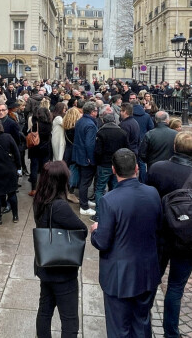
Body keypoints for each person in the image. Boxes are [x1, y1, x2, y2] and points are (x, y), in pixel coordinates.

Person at [90, 148, 162, 338]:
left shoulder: (109, 200)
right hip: (147, 271)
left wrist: (95, 231)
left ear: (113, 170)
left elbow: (102, 242)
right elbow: (158, 226)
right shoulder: (153, 193)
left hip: (119, 276)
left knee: (119, 328)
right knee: (142, 323)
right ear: (137, 168)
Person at [33, 161, 87, 338]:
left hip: (45, 266)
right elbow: (82, 230)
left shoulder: (39, 199)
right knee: (70, 321)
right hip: (62, 271)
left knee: (45, 312)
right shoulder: (60, 206)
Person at [147, 131, 192, 338]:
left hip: (160, 233)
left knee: (151, 282)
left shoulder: (158, 168)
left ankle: (143, 323)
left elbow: (148, 199)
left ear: (174, 147)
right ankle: (171, 333)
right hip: (186, 238)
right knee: (175, 287)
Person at [92, 112, 128, 223]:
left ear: (103, 121)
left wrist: (98, 162)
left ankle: (98, 214)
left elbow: (98, 151)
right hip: (117, 164)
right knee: (115, 189)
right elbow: (125, 148)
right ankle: (114, 212)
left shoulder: (101, 133)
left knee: (99, 189)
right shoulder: (122, 133)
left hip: (104, 164)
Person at [72, 101, 98, 216]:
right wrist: (90, 158)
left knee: (83, 181)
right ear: (92, 112)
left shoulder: (80, 121)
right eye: (96, 110)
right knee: (85, 182)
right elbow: (89, 144)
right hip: (86, 158)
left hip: (79, 155)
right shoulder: (91, 125)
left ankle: (84, 201)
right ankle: (84, 206)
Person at [28, 106, 52, 197]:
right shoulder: (49, 124)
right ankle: (45, 188)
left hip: (35, 148)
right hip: (45, 148)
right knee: (45, 169)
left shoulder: (36, 124)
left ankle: (34, 189)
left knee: (34, 168)